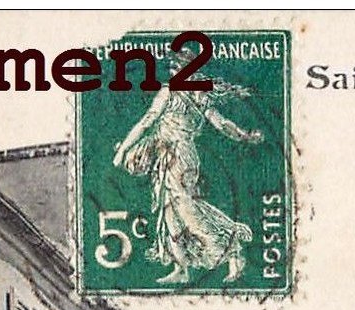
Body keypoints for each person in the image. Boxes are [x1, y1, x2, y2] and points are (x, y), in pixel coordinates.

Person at [111, 67, 264, 285]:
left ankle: (232, 247)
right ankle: (181, 267)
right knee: (169, 213)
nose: (172, 72)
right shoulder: (197, 95)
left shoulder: (175, 92)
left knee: (186, 209)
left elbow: (147, 121)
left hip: (178, 157)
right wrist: (244, 135)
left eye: (175, 68)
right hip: (169, 156)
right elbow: (222, 124)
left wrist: (122, 150)